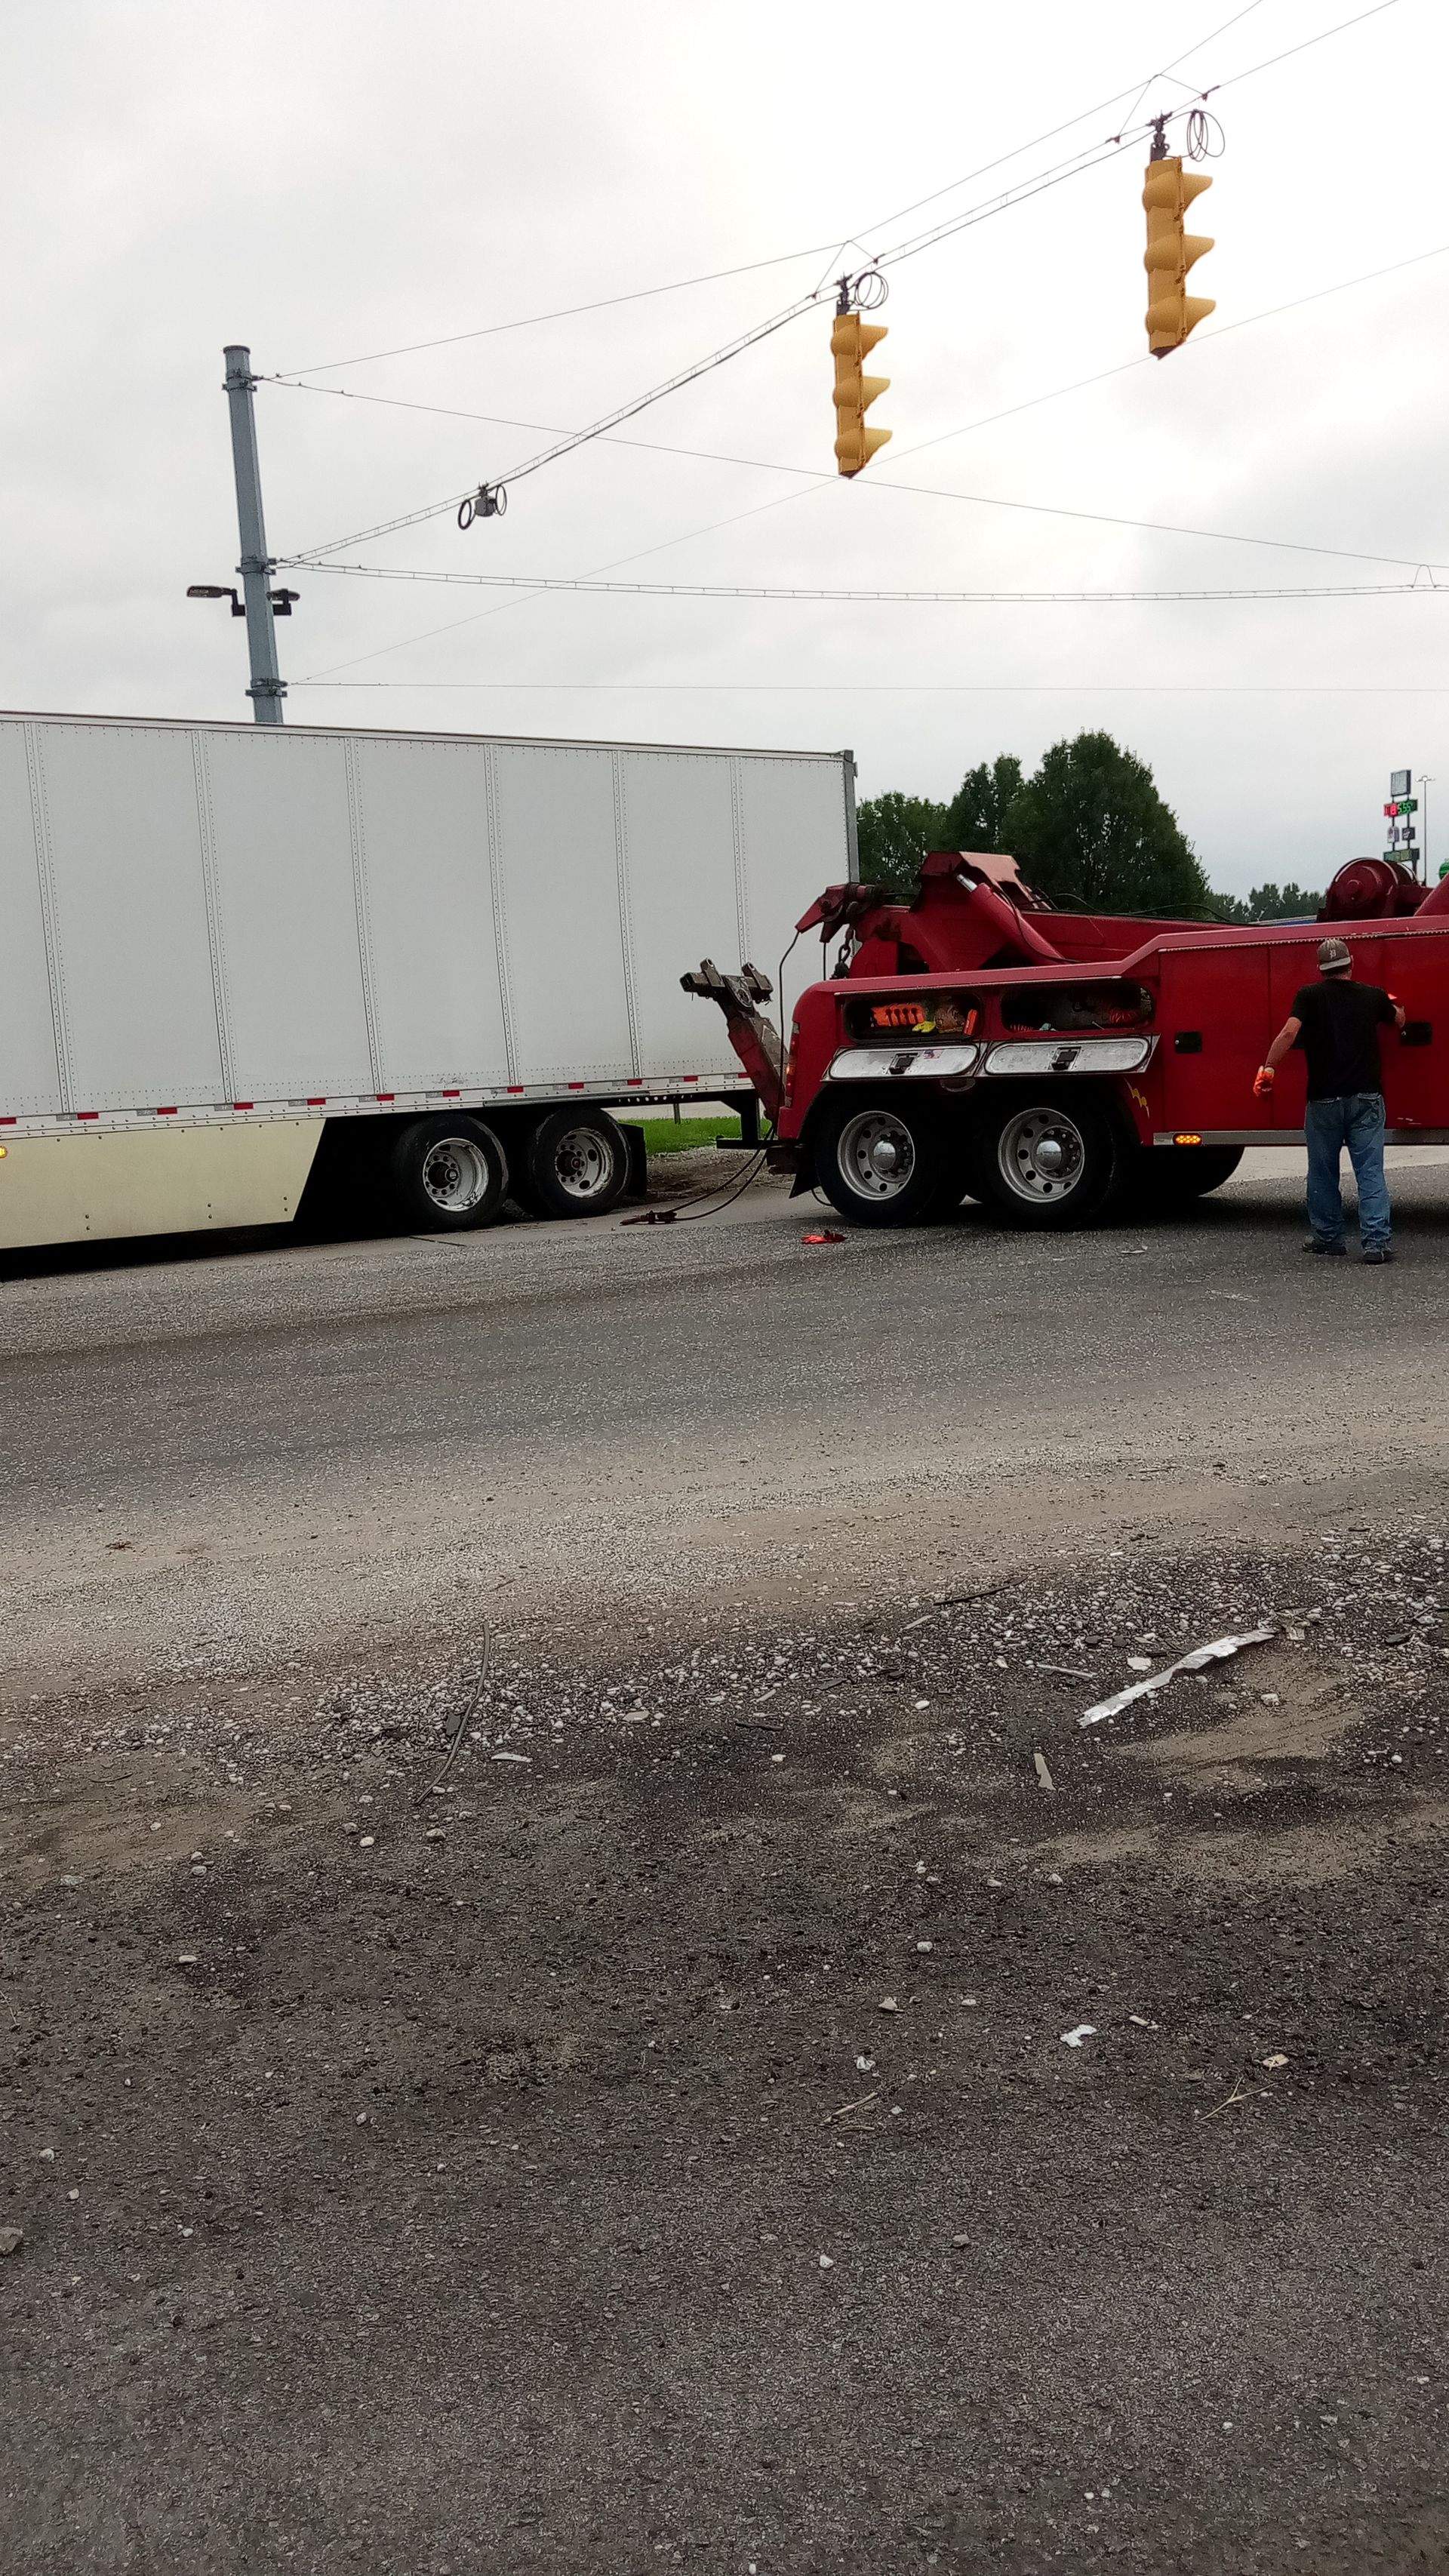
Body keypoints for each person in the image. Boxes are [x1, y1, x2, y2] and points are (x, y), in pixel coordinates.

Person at [1253, 936, 1404, 1262]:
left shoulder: (1309, 996)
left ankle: (1329, 1238)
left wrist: (1268, 1069)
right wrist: (1397, 1002)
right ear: (1351, 964)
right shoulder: (1372, 995)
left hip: (1323, 1100)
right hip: (1367, 1097)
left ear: (1321, 969)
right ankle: (1376, 1243)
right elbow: (1398, 1019)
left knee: (1322, 1171)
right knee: (1370, 1171)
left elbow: (1289, 1033)